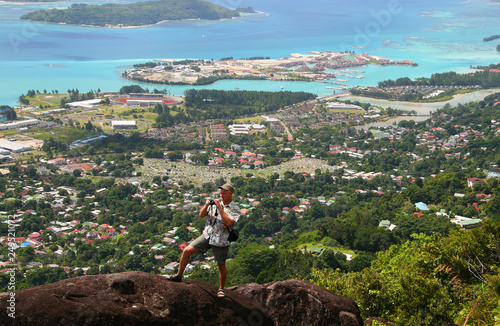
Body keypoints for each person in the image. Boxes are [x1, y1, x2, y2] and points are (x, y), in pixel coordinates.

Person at [166, 183, 240, 298]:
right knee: (186, 251)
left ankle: (221, 289)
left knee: (221, 265)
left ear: (231, 194)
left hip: (221, 239)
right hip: (208, 235)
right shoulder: (214, 204)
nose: (222, 195)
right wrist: (206, 206)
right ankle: (179, 275)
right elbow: (201, 215)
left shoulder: (235, 208)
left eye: (224, 193)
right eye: (221, 193)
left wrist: (220, 209)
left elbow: (229, 222)